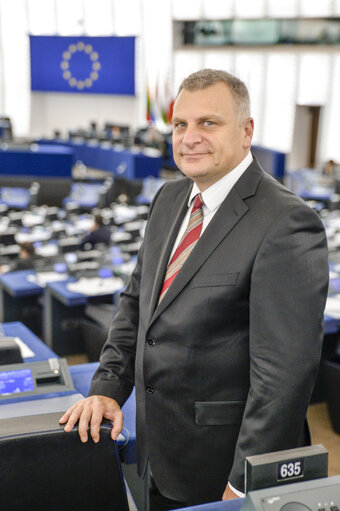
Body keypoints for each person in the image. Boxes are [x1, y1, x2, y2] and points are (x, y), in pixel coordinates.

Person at [60, 69, 329, 509]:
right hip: (158, 454)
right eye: (180, 124)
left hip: (223, 470)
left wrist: (244, 485)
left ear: (246, 132)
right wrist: (108, 388)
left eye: (209, 123)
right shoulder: (169, 198)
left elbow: (282, 378)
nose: (189, 137)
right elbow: (136, 307)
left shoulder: (286, 223)